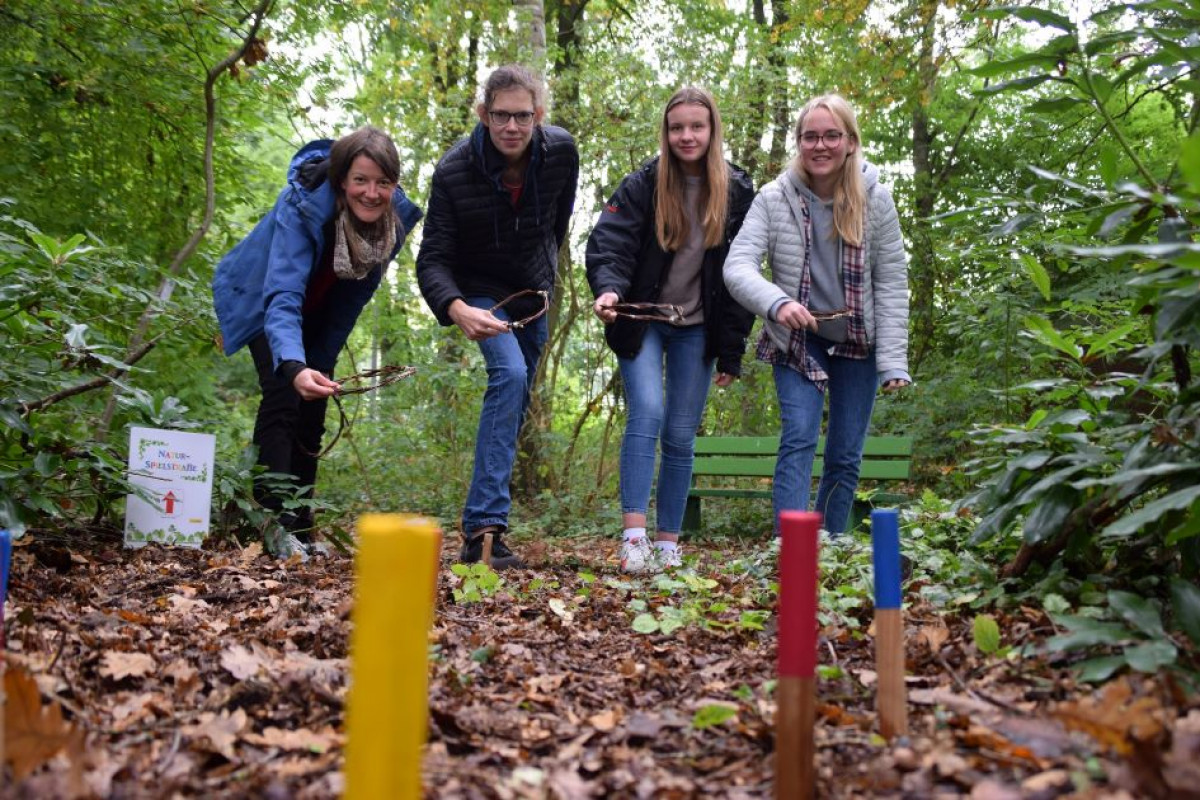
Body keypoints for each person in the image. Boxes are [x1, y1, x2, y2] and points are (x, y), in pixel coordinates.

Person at [213, 127, 422, 559]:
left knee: (315, 404)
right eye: (361, 180)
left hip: (319, 308)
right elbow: (283, 292)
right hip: (264, 297)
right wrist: (292, 364)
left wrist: (321, 359)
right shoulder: (301, 203)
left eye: (383, 182)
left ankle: (302, 528)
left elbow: (354, 296)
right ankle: (273, 528)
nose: (371, 192)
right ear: (342, 179)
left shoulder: (391, 223)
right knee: (284, 396)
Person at [723, 93, 910, 537]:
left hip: (858, 341)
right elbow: (738, 265)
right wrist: (778, 303)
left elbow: (890, 281)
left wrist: (894, 361)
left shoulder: (876, 200)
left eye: (831, 135)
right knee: (800, 438)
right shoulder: (774, 198)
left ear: (849, 141)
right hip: (798, 339)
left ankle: (827, 552)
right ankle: (791, 551)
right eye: (810, 136)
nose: (820, 145)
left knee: (845, 453)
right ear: (799, 142)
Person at [586, 86, 755, 572]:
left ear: (712, 130)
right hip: (643, 319)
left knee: (681, 433)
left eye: (696, 126)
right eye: (676, 127)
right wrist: (610, 289)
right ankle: (634, 539)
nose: (686, 135)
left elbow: (741, 273)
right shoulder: (643, 184)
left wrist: (731, 350)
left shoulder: (738, 191)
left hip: (697, 327)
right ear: (666, 131)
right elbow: (610, 243)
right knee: (648, 412)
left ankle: (667, 544)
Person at [416, 65, 579, 570]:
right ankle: (483, 529)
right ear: (484, 115)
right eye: (501, 115)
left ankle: (486, 530)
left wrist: (546, 278)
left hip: (533, 293)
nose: (512, 126)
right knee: (507, 374)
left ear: (539, 116)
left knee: (518, 392)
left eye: (523, 116)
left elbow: (558, 220)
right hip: (478, 290)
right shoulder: (453, 170)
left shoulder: (562, 154)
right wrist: (456, 307)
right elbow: (433, 257)